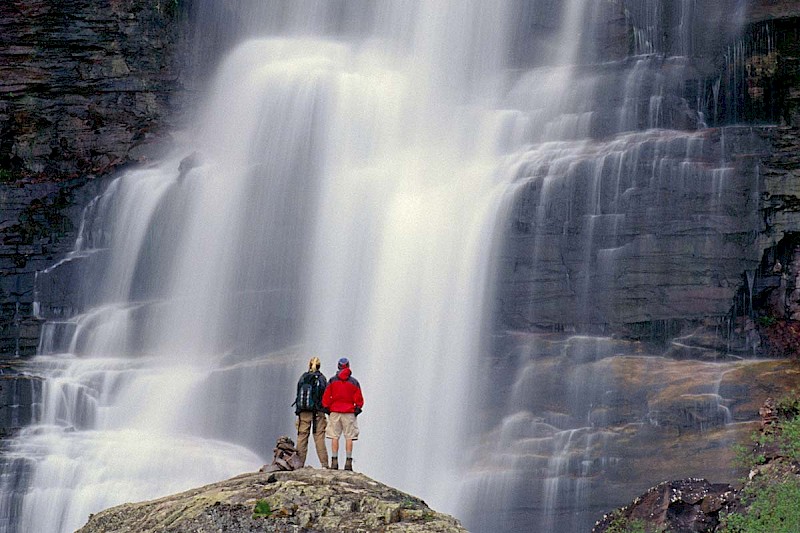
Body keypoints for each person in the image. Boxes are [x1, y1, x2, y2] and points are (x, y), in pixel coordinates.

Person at [322, 357, 364, 471]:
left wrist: (327, 408)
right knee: (349, 437)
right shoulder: (354, 382)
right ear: (348, 366)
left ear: (338, 366)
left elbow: (326, 397)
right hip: (349, 412)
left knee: (334, 436)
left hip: (335, 411)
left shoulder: (332, 381)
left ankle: (334, 462)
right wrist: (357, 408)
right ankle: (348, 463)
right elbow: (359, 399)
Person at [293, 357, 328, 468]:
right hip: (318, 412)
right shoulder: (322, 378)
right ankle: (324, 464)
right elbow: (325, 395)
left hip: (303, 412)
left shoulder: (303, 377)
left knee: (302, 437)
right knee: (319, 437)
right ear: (319, 366)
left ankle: (299, 464)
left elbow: (298, 394)